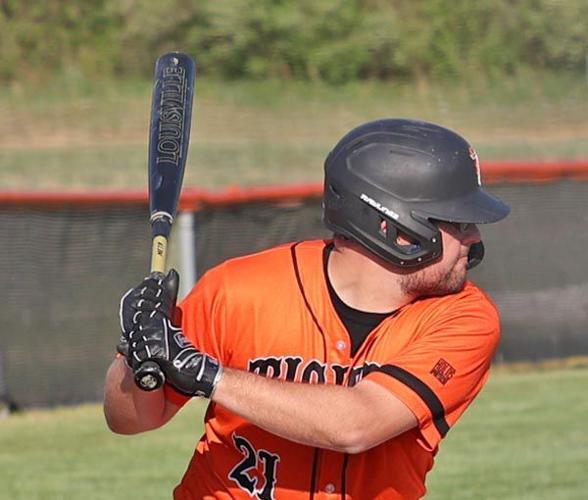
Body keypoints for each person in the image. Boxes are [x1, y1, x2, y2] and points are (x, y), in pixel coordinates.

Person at [104, 118, 510, 499]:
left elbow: (356, 424)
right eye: (457, 223)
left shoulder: (465, 318)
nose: (473, 237)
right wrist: (138, 355)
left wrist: (205, 375)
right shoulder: (238, 290)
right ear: (396, 229)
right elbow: (129, 419)